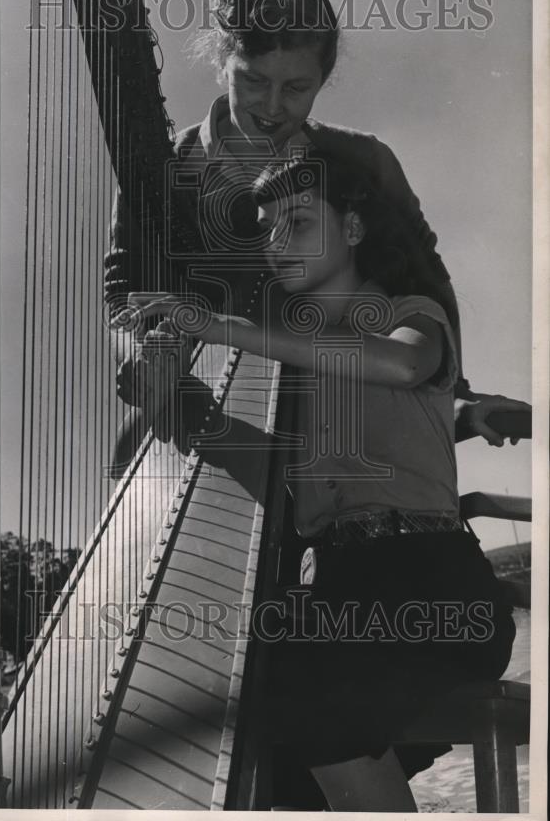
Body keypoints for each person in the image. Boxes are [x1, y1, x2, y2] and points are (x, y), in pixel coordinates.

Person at [124, 152, 518, 810]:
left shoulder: (412, 315)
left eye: (299, 223)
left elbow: (398, 364)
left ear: (355, 230)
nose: (277, 244)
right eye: (268, 229)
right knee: (249, 751)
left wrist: (220, 326)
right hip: (343, 594)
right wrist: (169, 400)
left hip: (434, 589)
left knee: (301, 687)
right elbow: (260, 471)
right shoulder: (289, 375)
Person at [105, 0, 530, 450]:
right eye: (253, 81)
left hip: (350, 420)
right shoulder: (163, 168)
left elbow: (422, 284)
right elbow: (124, 289)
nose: (271, 106)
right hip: (201, 423)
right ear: (222, 61)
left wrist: (456, 399)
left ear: (324, 80)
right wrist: (148, 356)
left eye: (296, 89)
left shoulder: (363, 161)